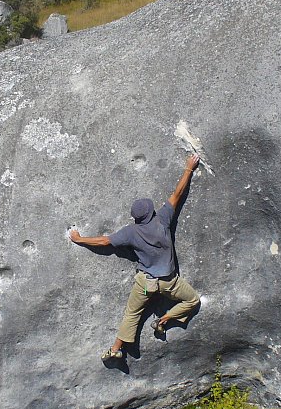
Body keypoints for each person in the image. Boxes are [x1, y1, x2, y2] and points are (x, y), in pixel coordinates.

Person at [69, 154, 202, 363]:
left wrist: (79, 239)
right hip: (169, 282)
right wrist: (188, 169)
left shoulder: (130, 232)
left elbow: (104, 241)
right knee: (193, 300)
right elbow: (178, 194)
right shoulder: (163, 219)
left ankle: (115, 349)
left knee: (132, 315)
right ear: (151, 212)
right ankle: (164, 319)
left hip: (147, 284)